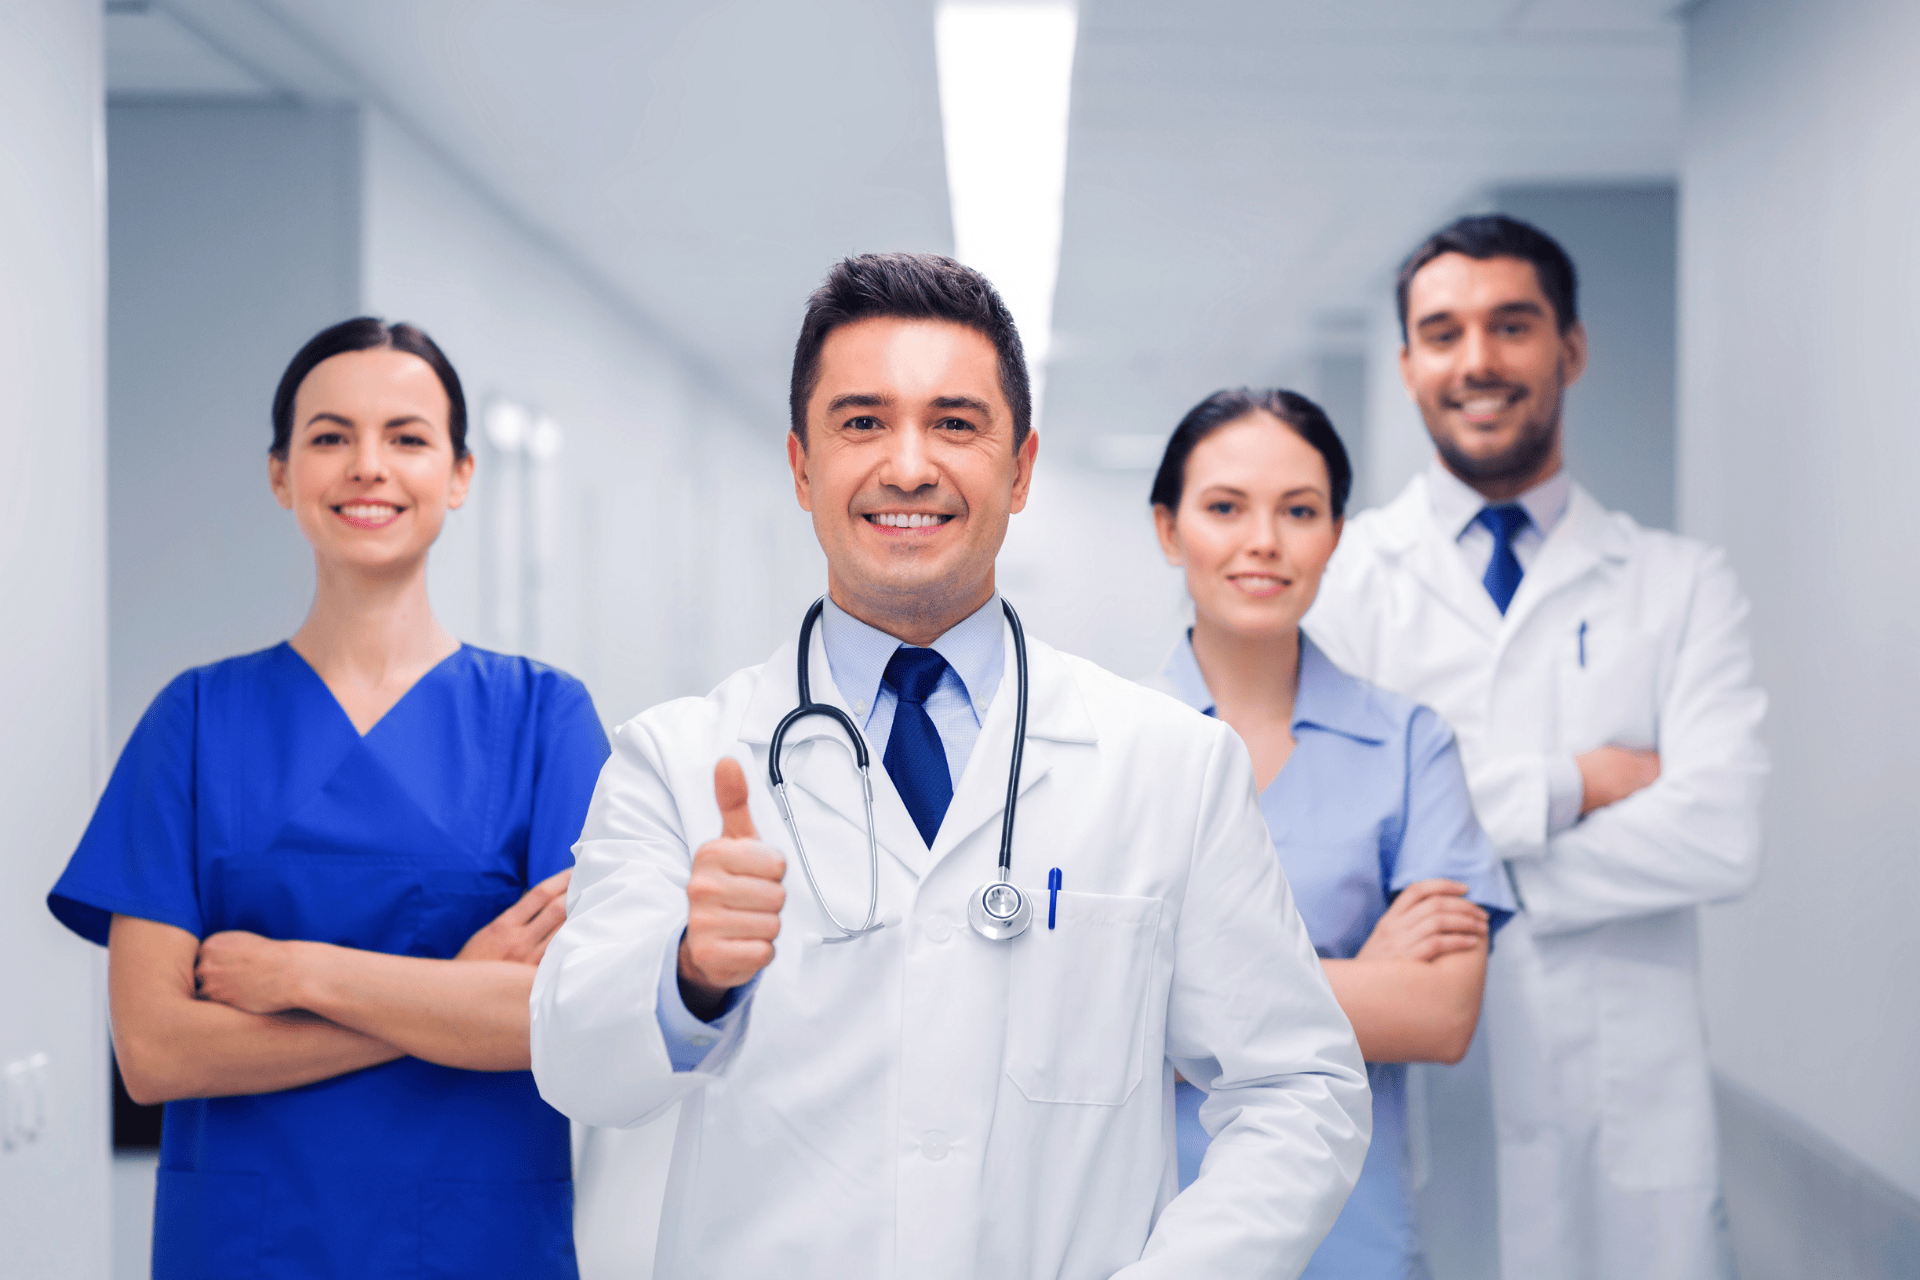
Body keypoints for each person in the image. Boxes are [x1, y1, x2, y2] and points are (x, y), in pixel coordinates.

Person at [531, 253, 1371, 1279]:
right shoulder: (676, 759)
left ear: (1020, 468)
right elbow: (577, 1068)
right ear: (801, 467)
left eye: (956, 423)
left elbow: (1300, 1089)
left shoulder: (1171, 766)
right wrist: (691, 975)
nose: (910, 465)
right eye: (862, 422)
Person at [48, 318, 609, 1279]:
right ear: (280, 476)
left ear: (461, 474)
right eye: (329, 436)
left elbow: (552, 1018)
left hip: (475, 1243)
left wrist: (300, 973)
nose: (367, 466)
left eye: (407, 436)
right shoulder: (193, 721)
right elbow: (153, 1050)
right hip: (245, 1246)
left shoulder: (543, 719)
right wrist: (449, 990)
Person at [1304, 215, 1767, 1280]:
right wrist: (1579, 783)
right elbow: (1336, 840)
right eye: (1444, 330)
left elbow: (1719, 836)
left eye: (1512, 325)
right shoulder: (1347, 578)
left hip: (1627, 1114)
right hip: (1423, 1113)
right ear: (1409, 359)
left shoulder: (1680, 584)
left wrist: (1455, 863)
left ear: (1571, 347)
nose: (1478, 360)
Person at [1144, 387, 1514, 1279]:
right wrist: (1368, 980)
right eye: (1225, 507)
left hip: (1354, 1235)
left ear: (1336, 535)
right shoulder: (1107, 750)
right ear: (1168, 528)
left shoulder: (1409, 744)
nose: (1263, 540)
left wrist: (1179, 1007)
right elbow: (1079, 1015)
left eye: (1299, 511)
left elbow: (1440, 1013)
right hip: (1152, 1235)